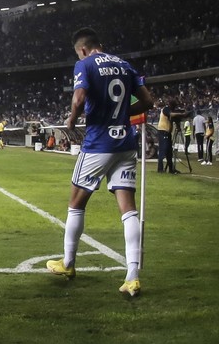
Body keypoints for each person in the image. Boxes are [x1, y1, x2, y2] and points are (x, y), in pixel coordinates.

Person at [46, 27, 154, 298]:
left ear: (82, 49)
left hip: (98, 144)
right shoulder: (124, 64)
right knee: (128, 210)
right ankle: (132, 276)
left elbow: (79, 98)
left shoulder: (84, 64)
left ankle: (68, 264)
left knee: (76, 204)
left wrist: (71, 119)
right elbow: (148, 101)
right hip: (125, 144)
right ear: (100, 45)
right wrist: (119, 113)